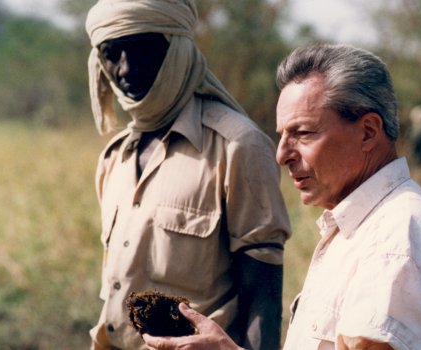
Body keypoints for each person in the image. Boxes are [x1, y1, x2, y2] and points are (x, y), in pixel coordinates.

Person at [143, 44, 421, 350]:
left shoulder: (399, 233)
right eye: (282, 134)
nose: (282, 154)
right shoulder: (359, 227)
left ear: (368, 131)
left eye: (304, 133)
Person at [84, 1, 291, 349]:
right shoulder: (115, 156)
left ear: (177, 50)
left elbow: (262, 295)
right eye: (112, 53)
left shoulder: (237, 145)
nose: (125, 70)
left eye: (143, 50)